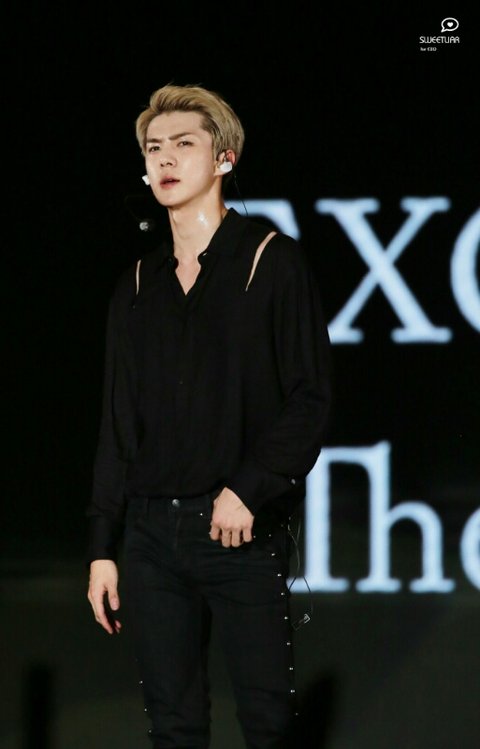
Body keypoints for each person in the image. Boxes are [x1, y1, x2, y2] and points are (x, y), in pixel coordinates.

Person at [86, 83, 332, 749]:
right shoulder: (137, 285)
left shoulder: (270, 262)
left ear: (224, 158)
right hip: (149, 538)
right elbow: (117, 425)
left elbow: (310, 397)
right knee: (173, 727)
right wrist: (102, 546)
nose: (164, 159)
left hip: (238, 535)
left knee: (269, 725)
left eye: (183, 144)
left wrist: (248, 487)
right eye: (153, 148)